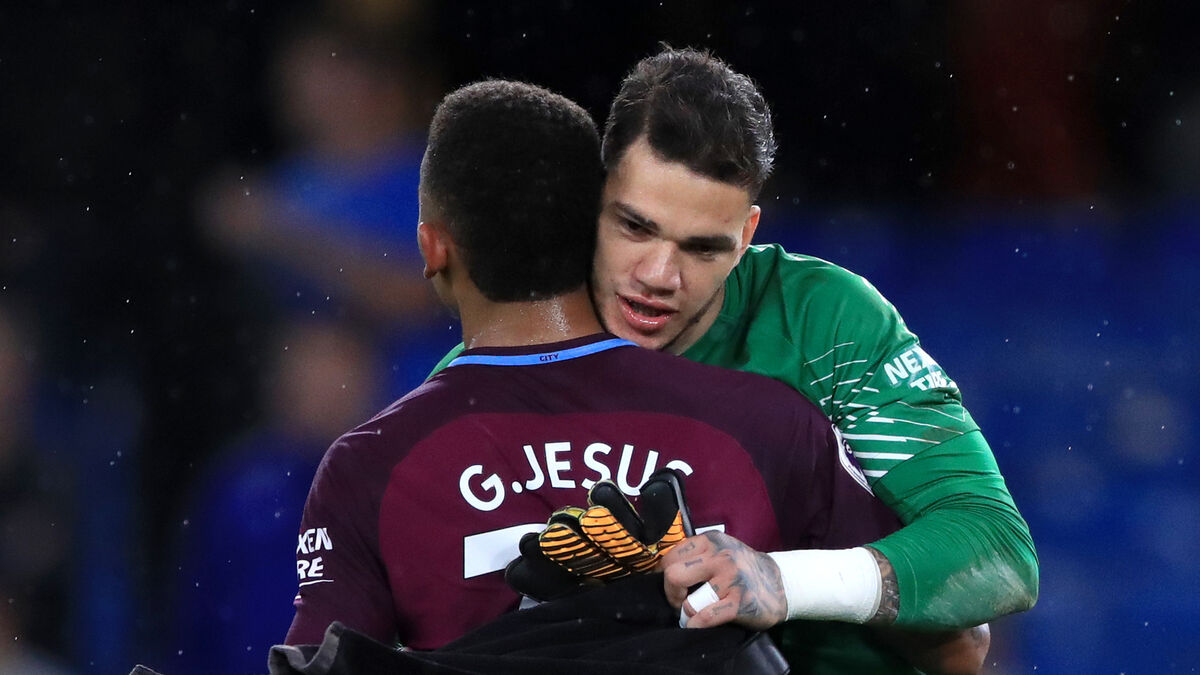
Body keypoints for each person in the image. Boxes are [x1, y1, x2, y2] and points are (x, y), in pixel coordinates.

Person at [285, 79, 985, 673]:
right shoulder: (772, 424)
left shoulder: (381, 460)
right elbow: (962, 646)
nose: (658, 275)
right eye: (637, 228)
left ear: (431, 249)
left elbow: (989, 554)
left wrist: (780, 579)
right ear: (591, 214)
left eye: (700, 247)